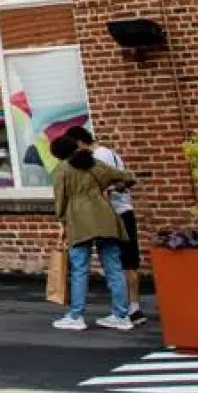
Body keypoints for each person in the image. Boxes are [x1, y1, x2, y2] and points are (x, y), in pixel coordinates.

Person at [49, 135, 135, 331]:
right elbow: (128, 177)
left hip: (78, 220)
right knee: (114, 267)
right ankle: (121, 315)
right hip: (105, 217)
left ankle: (76, 316)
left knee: (80, 269)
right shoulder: (95, 163)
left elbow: (60, 201)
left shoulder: (62, 170)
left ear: (58, 155)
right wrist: (116, 187)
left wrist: (62, 221)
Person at [66, 125, 144, 325]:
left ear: (79, 143)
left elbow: (104, 184)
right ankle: (134, 307)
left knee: (114, 263)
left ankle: (122, 311)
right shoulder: (111, 153)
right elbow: (125, 178)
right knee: (129, 261)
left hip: (112, 214)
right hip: (125, 209)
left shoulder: (97, 158)